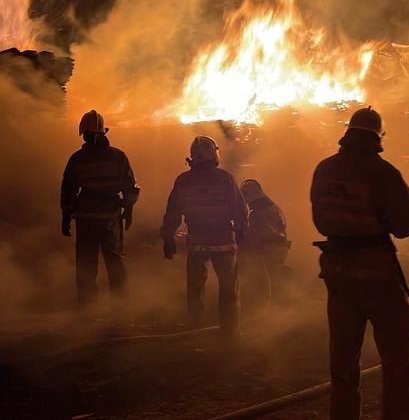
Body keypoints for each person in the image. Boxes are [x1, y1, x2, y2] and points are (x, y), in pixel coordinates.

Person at [310, 107, 409, 420]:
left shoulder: (324, 169)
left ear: (348, 133)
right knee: (399, 361)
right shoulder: (382, 172)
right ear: (378, 137)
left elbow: (320, 220)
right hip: (377, 275)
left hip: (338, 276)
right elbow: (406, 223)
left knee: (343, 364)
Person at [160, 136, 247, 337]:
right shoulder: (225, 178)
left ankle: (195, 328)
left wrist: (168, 237)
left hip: (196, 241)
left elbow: (173, 211)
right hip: (223, 240)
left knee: (195, 287)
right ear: (214, 154)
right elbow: (239, 208)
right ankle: (230, 331)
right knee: (228, 288)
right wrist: (241, 229)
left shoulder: (183, 181)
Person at [61, 110, 139, 308]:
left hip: (86, 220)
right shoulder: (118, 157)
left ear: (85, 134)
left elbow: (68, 190)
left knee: (86, 265)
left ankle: (88, 311)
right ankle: (120, 308)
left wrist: (66, 214)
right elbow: (130, 187)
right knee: (115, 263)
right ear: (104, 132)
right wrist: (128, 210)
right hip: (110, 219)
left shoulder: (77, 159)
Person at [238, 179, 290, 313]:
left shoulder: (257, 213)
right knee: (273, 282)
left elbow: (252, 238)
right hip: (279, 249)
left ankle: (263, 312)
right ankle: (276, 310)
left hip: (267, 251)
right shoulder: (273, 207)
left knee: (263, 284)